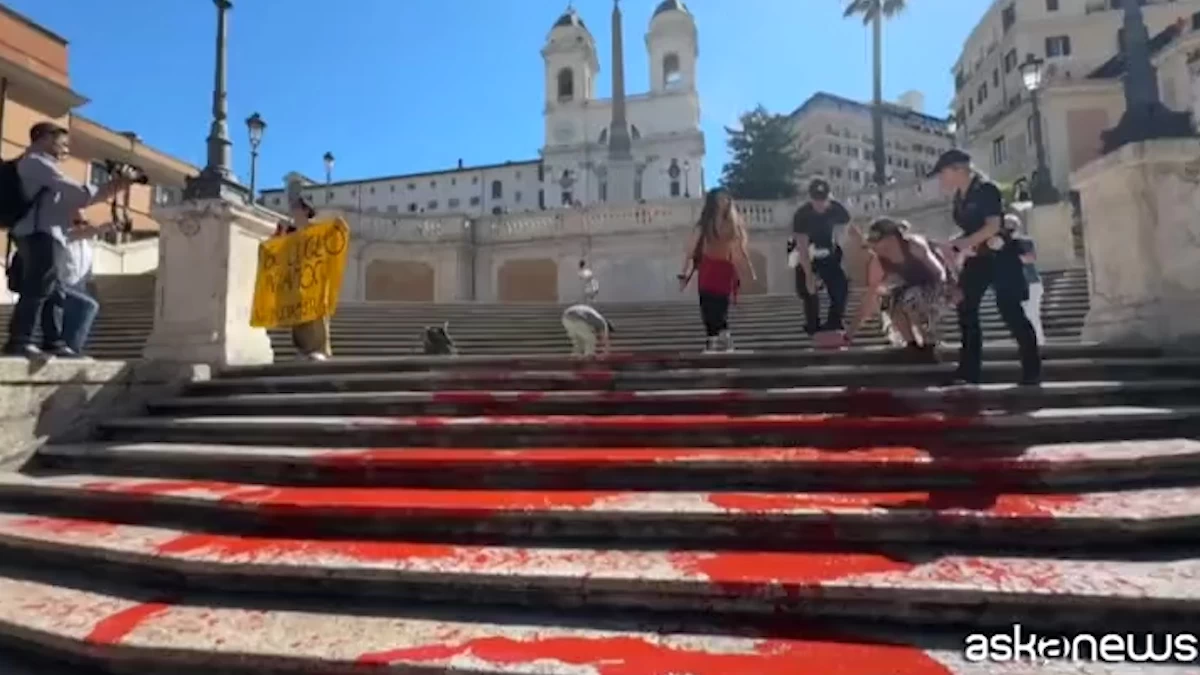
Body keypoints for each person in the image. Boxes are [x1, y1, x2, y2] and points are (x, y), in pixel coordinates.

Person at [3, 122, 135, 358]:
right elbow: (79, 194)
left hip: (48, 233)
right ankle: (19, 341)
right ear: (44, 139)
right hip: (38, 233)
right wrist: (115, 185)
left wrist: (114, 186)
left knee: (54, 291)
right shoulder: (37, 163)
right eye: (62, 143)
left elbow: (71, 201)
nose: (66, 149)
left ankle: (53, 342)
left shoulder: (42, 165)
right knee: (38, 287)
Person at [929, 149, 1041, 386]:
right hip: (979, 259)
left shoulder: (986, 189)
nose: (941, 179)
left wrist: (962, 244)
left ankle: (1032, 370)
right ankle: (969, 371)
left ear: (959, 169)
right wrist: (955, 243)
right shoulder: (960, 197)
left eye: (943, 173)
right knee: (966, 307)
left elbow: (993, 225)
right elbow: (971, 230)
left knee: (1010, 310)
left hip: (1002, 258)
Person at [841, 218, 948, 363]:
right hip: (912, 292)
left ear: (892, 239)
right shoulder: (878, 262)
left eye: (877, 242)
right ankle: (912, 346)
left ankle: (929, 344)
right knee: (889, 300)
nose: (874, 247)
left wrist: (947, 293)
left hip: (935, 288)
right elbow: (870, 298)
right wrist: (850, 333)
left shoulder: (914, 246)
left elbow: (939, 274)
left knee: (912, 297)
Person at [678, 187, 756, 353]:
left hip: (724, 268)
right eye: (720, 199)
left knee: (721, 304)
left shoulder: (734, 224)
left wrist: (748, 269)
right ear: (713, 202)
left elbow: (739, 249)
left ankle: (723, 336)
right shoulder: (705, 224)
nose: (723, 202)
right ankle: (713, 338)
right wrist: (683, 273)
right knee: (707, 304)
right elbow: (690, 250)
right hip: (708, 266)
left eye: (726, 199)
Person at [790, 178, 851, 335]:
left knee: (841, 286)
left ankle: (834, 321)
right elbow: (802, 247)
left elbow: (849, 226)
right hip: (808, 254)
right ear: (810, 198)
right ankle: (812, 323)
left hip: (829, 253)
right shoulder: (802, 215)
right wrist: (810, 275)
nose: (820, 205)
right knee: (807, 288)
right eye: (816, 200)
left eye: (823, 200)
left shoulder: (837, 209)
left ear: (829, 197)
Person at [276, 196, 332, 361]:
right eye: (292, 208)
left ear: (306, 210)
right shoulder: (290, 231)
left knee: (316, 316)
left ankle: (320, 349)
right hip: (295, 277)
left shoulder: (317, 230)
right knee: (298, 315)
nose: (293, 211)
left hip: (315, 276)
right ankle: (302, 349)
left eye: (297, 208)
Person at [57, 215, 114, 355]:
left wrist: (96, 294)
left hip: (78, 290)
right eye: (77, 222)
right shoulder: (63, 237)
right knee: (88, 306)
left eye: (85, 223)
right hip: (60, 287)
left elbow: (88, 276)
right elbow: (78, 234)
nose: (82, 226)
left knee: (82, 313)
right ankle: (72, 349)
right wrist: (100, 229)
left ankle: (67, 348)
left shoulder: (87, 247)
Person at [1004, 213, 1045, 346]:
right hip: (1014, 285)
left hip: (1031, 283)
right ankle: (1025, 343)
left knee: (1032, 314)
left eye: (1010, 226)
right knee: (1019, 317)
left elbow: (1030, 258)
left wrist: (1012, 256)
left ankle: (1038, 343)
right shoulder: (1003, 245)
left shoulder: (1025, 241)